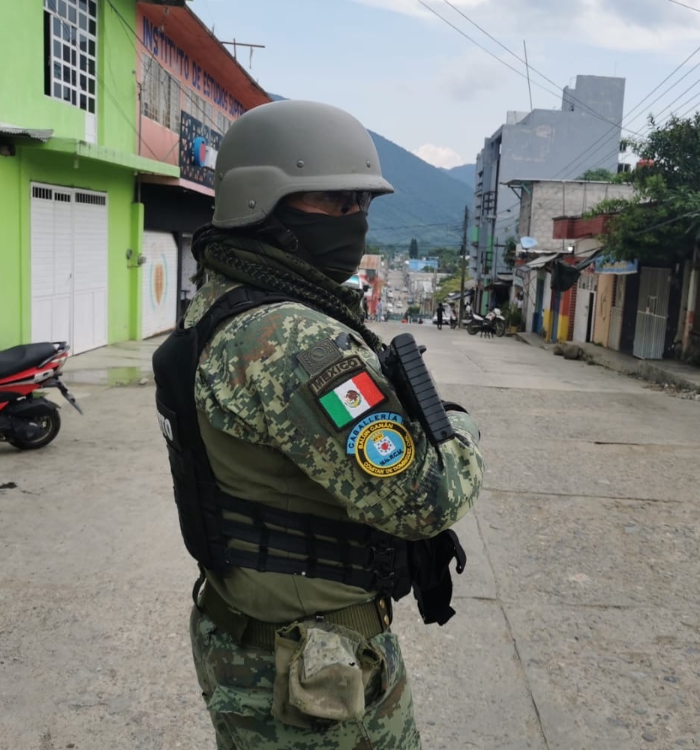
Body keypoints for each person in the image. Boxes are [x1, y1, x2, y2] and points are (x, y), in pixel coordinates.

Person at [152, 100, 485, 749]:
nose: (355, 221)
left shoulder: (222, 299)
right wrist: (461, 430)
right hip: (310, 666)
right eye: (336, 203)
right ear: (265, 205)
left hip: (255, 637)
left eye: (362, 203)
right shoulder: (294, 338)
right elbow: (425, 498)